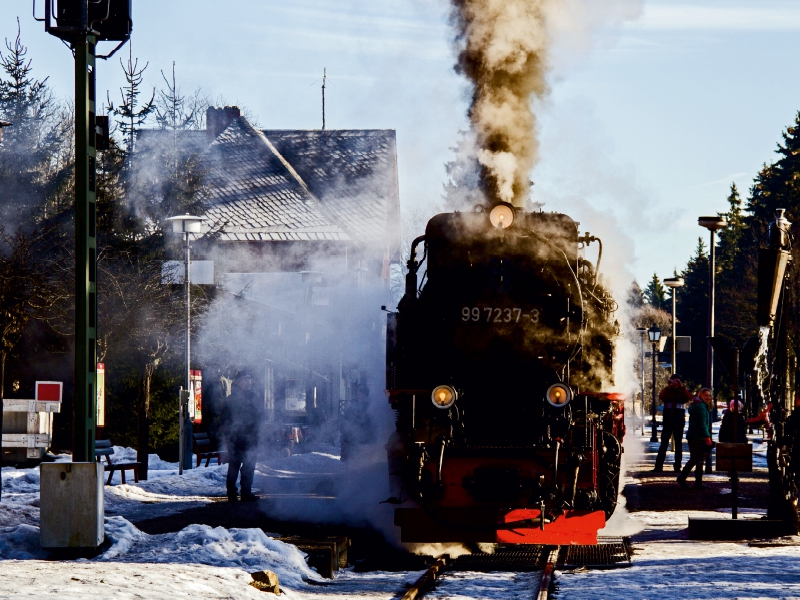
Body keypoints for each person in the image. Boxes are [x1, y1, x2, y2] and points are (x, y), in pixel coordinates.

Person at [219, 370, 264, 502]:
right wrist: (230, 436)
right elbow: (225, 420)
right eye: (246, 379)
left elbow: (258, 416)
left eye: (249, 379)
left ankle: (246, 491)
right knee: (235, 465)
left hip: (251, 437)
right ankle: (232, 492)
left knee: (249, 464)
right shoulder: (231, 400)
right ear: (239, 382)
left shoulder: (253, 397)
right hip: (236, 438)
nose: (249, 382)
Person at [653, 374, 693, 473]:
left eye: (677, 381)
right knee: (664, 444)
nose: (675, 383)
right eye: (673, 381)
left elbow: (688, 397)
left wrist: (682, 387)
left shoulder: (683, 391)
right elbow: (661, 397)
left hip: (679, 421)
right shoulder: (667, 390)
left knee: (678, 444)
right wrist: (668, 386)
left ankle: (677, 467)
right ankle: (658, 467)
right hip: (668, 420)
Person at [677, 392, 713, 490]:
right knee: (697, 459)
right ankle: (686, 479)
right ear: (700, 396)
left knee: (697, 459)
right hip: (698, 438)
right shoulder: (701, 407)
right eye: (706, 395)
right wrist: (707, 438)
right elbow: (702, 425)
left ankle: (696, 482)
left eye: (710, 395)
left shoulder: (698, 406)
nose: (708, 397)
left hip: (694, 437)